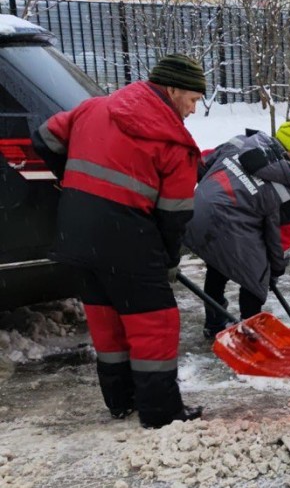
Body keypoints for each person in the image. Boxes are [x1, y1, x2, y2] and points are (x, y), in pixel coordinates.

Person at [32, 54, 207, 428]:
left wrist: (74, 181)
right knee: (154, 323)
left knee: (106, 319)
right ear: (171, 88)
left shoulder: (93, 108)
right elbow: (174, 217)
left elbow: (44, 137)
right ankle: (161, 413)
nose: (193, 110)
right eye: (192, 100)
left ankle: (120, 402)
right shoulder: (175, 143)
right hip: (128, 239)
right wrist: (169, 261)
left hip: (77, 235)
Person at [185, 122, 290, 338]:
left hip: (194, 216)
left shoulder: (240, 143)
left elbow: (203, 162)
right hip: (227, 225)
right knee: (257, 274)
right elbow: (280, 242)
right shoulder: (284, 192)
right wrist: (274, 271)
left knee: (218, 265)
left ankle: (213, 325)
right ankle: (249, 329)